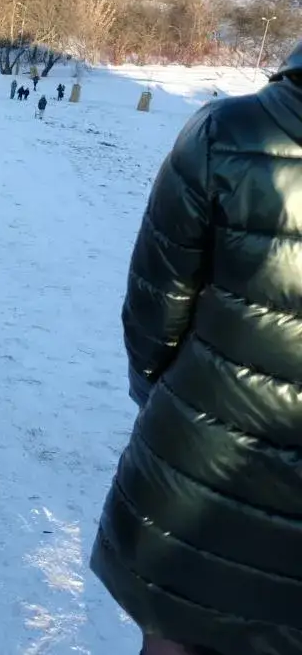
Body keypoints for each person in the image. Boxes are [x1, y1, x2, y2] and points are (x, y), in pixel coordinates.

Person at [91, 40, 302, 655]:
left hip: (202, 463)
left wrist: (165, 402)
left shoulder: (227, 135)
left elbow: (154, 309)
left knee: (178, 637)